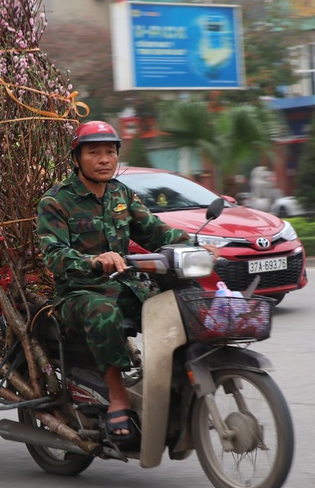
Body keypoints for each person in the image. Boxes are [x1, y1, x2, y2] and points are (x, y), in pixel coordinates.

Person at [36, 121, 217, 445]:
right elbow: (54, 255)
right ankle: (118, 397)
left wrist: (194, 246)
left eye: (110, 152)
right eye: (94, 152)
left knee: (181, 302)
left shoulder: (121, 194)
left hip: (126, 283)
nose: (104, 159)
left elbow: (155, 231)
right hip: (80, 292)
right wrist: (93, 261)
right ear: (76, 158)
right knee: (103, 312)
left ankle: (176, 381)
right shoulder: (56, 201)